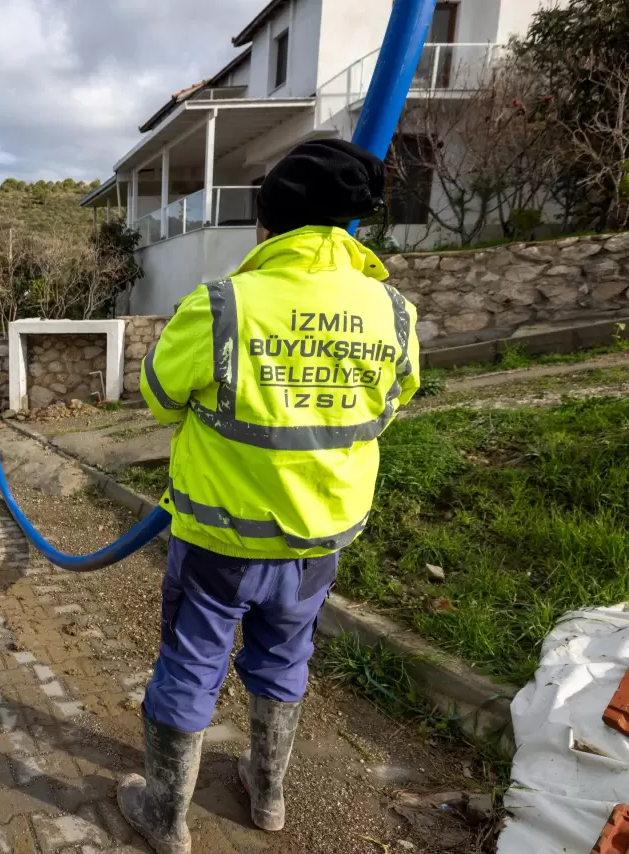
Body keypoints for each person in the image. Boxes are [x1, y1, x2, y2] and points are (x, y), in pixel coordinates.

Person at [118, 138, 421, 851]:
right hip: (318, 542)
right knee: (285, 660)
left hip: (220, 541)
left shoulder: (223, 303)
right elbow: (392, 400)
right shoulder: (392, 310)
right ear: (346, 225)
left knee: (192, 666)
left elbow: (160, 398)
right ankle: (269, 795)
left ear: (268, 224)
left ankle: (165, 818)